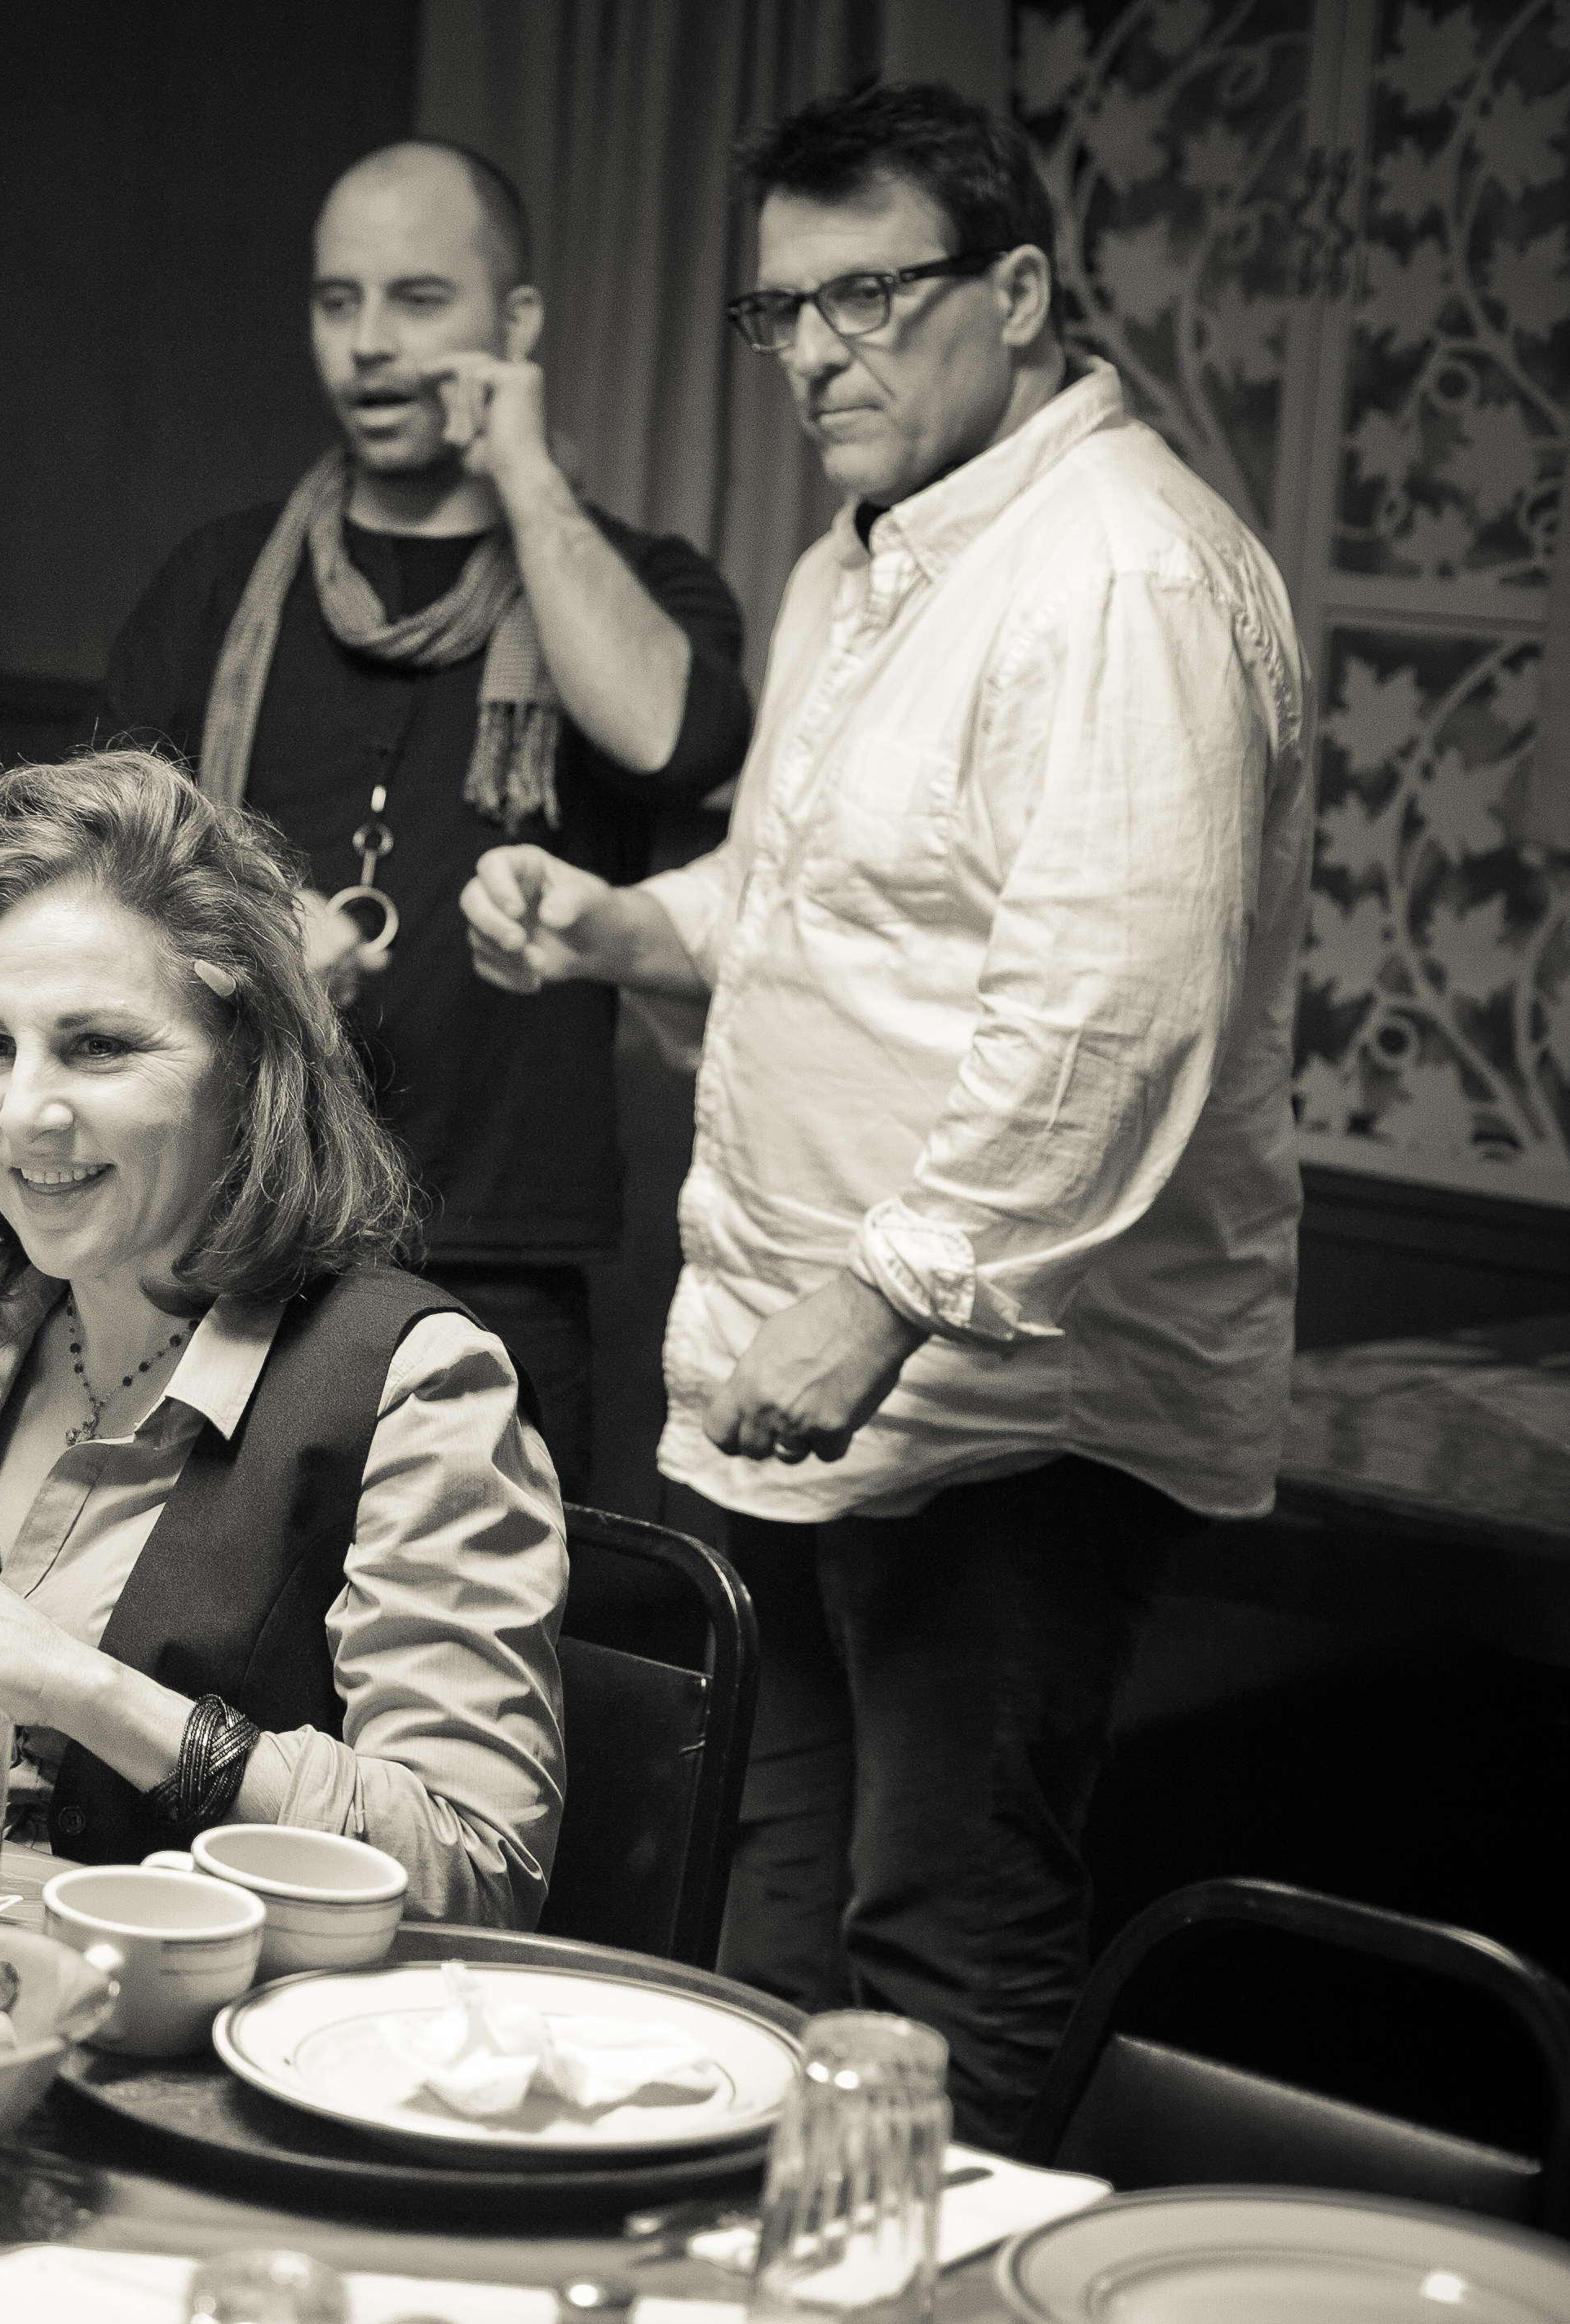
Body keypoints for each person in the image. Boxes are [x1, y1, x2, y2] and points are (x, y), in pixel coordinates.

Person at [462, 83, 1309, 2144]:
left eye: (870, 298)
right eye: (781, 315)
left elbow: (1107, 1015)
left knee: (943, 1936)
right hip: (813, 1372)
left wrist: (888, 1296)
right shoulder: (869, 559)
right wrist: (616, 923)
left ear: (1016, 295)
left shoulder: (1121, 574)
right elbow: (805, 899)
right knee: (769, 1922)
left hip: (1007, 1400)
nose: (818, 356)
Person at [0, 750, 568, 1927]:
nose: (25, 1111)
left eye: (98, 1047)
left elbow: (476, 1870)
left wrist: (87, 1690)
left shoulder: (415, 1382)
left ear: (247, 1074)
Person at [101, 139, 754, 1504]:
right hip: (226, 1231)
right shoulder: (216, 581)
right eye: (337, 303)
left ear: (513, 325)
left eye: (415, 301)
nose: (368, 347)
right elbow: (93, 887)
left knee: (479, 1698)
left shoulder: (634, 580)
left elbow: (673, 736)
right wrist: (245, 941)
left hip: (499, 1259)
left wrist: (521, 476)